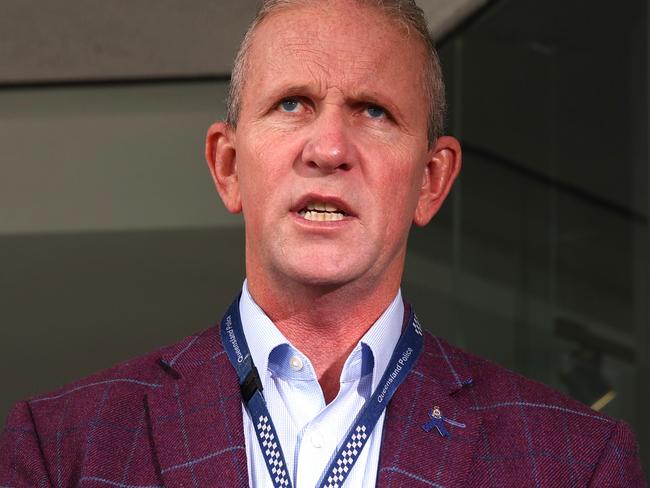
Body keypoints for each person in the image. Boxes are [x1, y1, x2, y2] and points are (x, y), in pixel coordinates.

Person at [0, 0, 646, 486]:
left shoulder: (576, 462)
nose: (330, 148)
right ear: (228, 167)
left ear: (430, 181)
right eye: (292, 104)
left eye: (374, 110)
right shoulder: (60, 448)